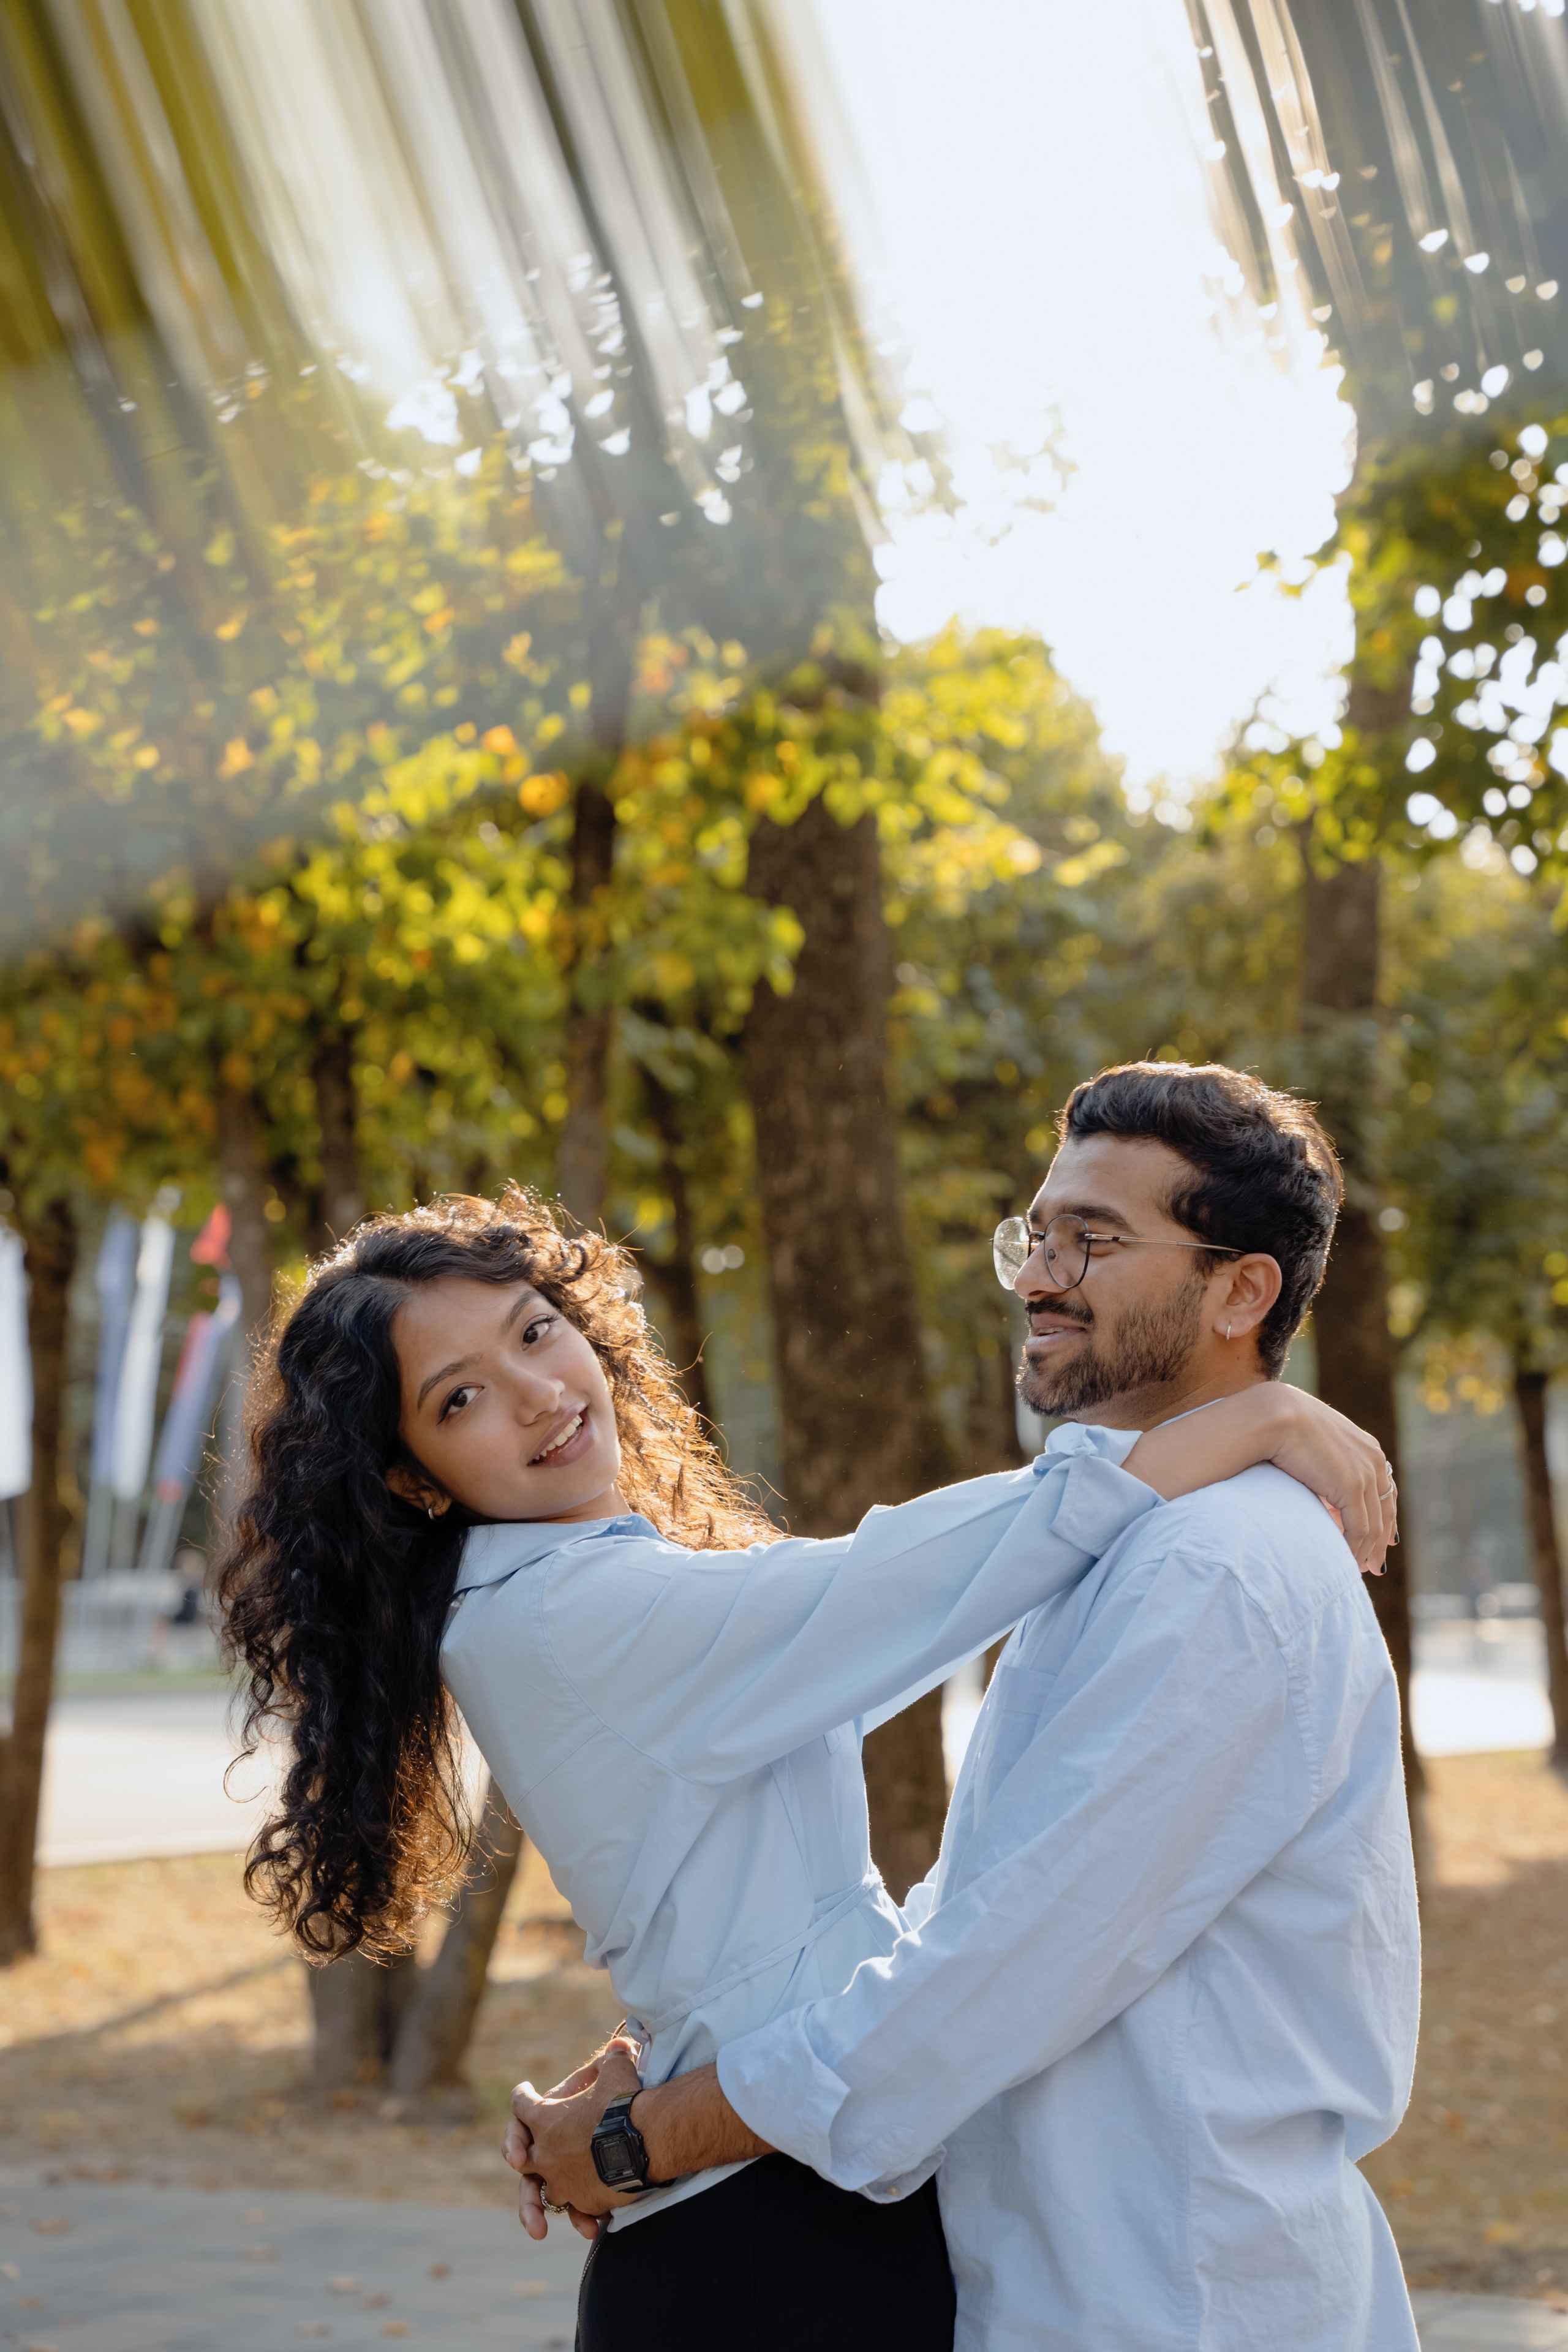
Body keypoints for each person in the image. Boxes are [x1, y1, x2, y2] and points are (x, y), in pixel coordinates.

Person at [217, 1167, 1392, 2352]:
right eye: (461, 1397)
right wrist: (1259, 1419)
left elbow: (746, 1895)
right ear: (412, 1475)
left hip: (788, 2199)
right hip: (769, 2241)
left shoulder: (581, 1592)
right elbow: (899, 1585)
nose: (537, 1395)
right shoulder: (567, 1621)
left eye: (537, 1331)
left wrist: (662, 2056)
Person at [507, 1063, 1422, 2352]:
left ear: (1239, 1288)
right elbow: (977, 1918)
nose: (1040, 1275)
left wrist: (644, 2137)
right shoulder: (1132, 1539)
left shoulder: (1214, 1570)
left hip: (1168, 2299)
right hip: (1075, 2281)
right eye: (1035, 1233)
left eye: (1093, 1240)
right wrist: (682, 2056)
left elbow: (983, 1985)